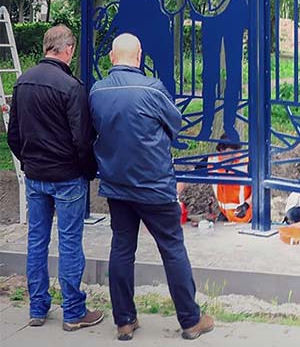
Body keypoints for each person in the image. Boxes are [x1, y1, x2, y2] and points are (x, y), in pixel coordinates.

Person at [89, 33, 213, 341]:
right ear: (140, 55)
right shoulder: (152, 89)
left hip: (116, 186)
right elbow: (175, 124)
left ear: (111, 58)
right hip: (154, 186)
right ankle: (190, 319)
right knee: (172, 249)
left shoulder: (97, 91)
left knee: (121, 249)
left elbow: (94, 129)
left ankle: (124, 321)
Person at [6, 25, 104, 330]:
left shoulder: (22, 83)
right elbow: (82, 139)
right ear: (69, 50)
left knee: (36, 241)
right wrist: (88, 171)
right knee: (70, 243)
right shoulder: (72, 87)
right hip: (67, 177)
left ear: (46, 47)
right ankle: (73, 312)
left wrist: (29, 160)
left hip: (36, 176)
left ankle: (37, 308)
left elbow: (13, 135)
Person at [209, 138, 252, 223]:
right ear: (221, 150)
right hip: (226, 214)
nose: (235, 156)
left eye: (236, 152)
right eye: (231, 153)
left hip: (245, 216)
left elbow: (258, 187)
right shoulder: (212, 161)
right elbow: (187, 174)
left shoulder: (246, 162)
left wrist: (246, 204)